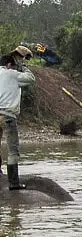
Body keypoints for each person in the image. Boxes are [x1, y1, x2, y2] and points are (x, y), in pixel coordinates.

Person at [0, 46, 36, 190]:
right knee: (13, 150)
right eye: (14, 65)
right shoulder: (12, 74)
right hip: (8, 116)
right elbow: (31, 79)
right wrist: (24, 66)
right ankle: (14, 183)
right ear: (9, 65)